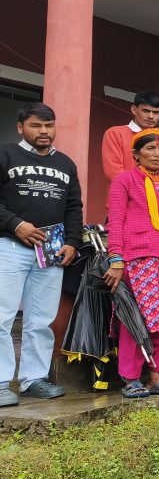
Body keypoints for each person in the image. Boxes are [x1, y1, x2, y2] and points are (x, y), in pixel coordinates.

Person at [0, 103, 82, 406]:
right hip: (9, 246)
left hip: (51, 251)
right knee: (2, 316)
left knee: (41, 319)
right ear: (21, 127)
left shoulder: (65, 163)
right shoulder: (5, 154)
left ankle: (34, 379)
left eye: (49, 126)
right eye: (36, 125)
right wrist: (15, 224)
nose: (44, 132)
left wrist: (73, 241)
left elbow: (74, 207)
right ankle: (0, 382)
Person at [105, 129, 159, 399]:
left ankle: (158, 375)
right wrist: (116, 258)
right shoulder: (125, 180)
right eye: (150, 149)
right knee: (138, 318)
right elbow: (116, 221)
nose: (157, 154)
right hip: (137, 259)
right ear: (135, 154)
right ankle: (131, 377)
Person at [102, 90, 159, 183]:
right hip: (124, 194)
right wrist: (139, 191)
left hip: (157, 195)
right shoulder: (115, 133)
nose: (151, 116)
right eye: (146, 111)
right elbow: (113, 171)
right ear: (134, 110)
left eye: (156, 112)